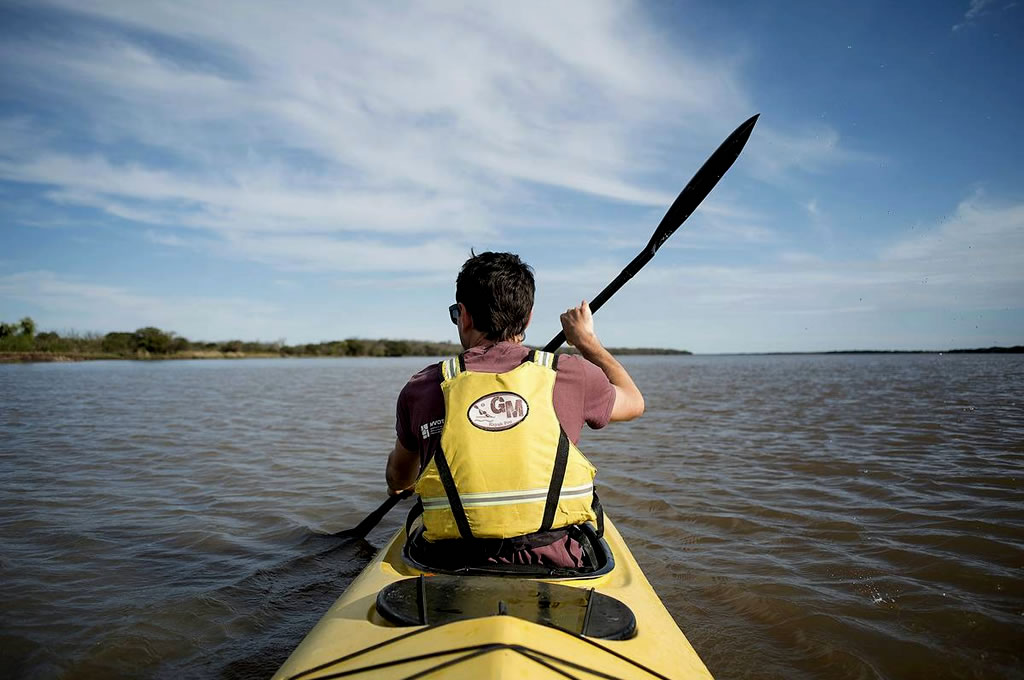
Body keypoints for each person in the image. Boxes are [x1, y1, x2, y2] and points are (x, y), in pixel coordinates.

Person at [386, 251, 644, 568]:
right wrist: (587, 342)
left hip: (447, 563)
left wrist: (406, 485)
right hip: (555, 563)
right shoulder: (571, 375)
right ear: (529, 317)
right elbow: (634, 401)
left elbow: (399, 477)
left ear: (464, 315)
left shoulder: (422, 387)